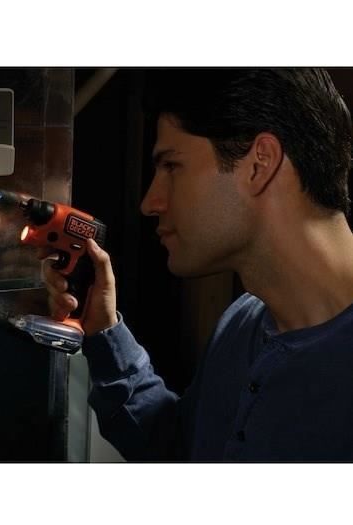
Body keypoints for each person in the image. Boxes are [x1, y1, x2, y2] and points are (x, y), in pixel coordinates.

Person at [42, 68, 353, 462]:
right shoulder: (244, 322)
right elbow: (180, 450)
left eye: (172, 166)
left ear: (260, 163)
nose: (150, 203)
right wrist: (103, 330)